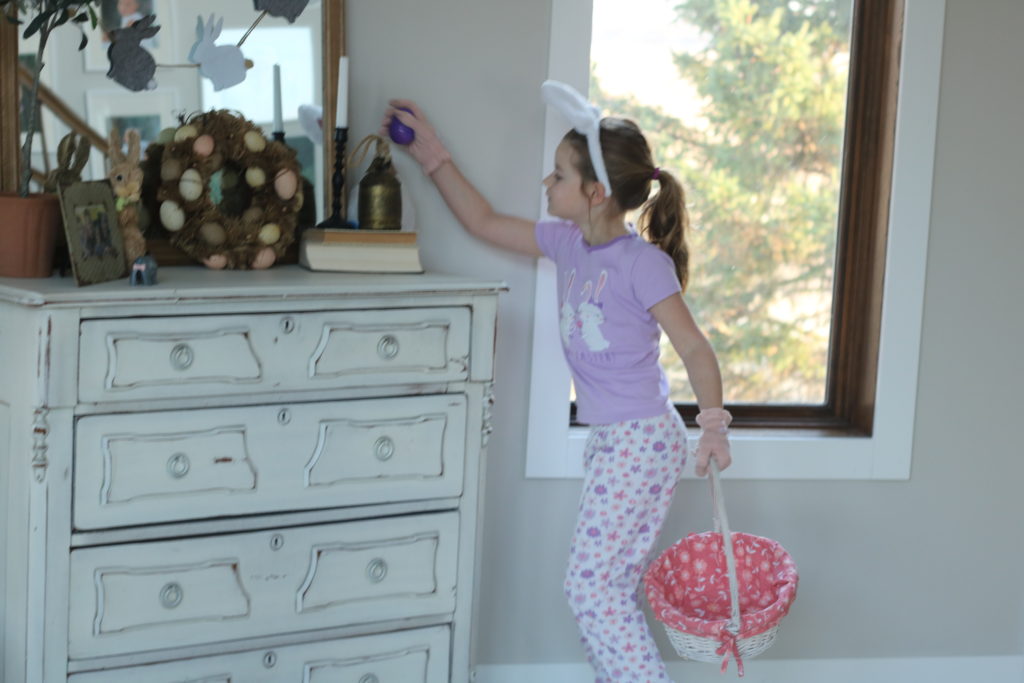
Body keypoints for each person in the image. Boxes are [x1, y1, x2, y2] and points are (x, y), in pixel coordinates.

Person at [382, 83, 733, 682]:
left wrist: (714, 427)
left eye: (559, 174)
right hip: (615, 439)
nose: (547, 182)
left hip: (641, 438)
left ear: (596, 192)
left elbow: (696, 348)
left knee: (591, 588)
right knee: (604, 587)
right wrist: (433, 157)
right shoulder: (569, 244)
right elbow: (483, 221)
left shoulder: (642, 263)